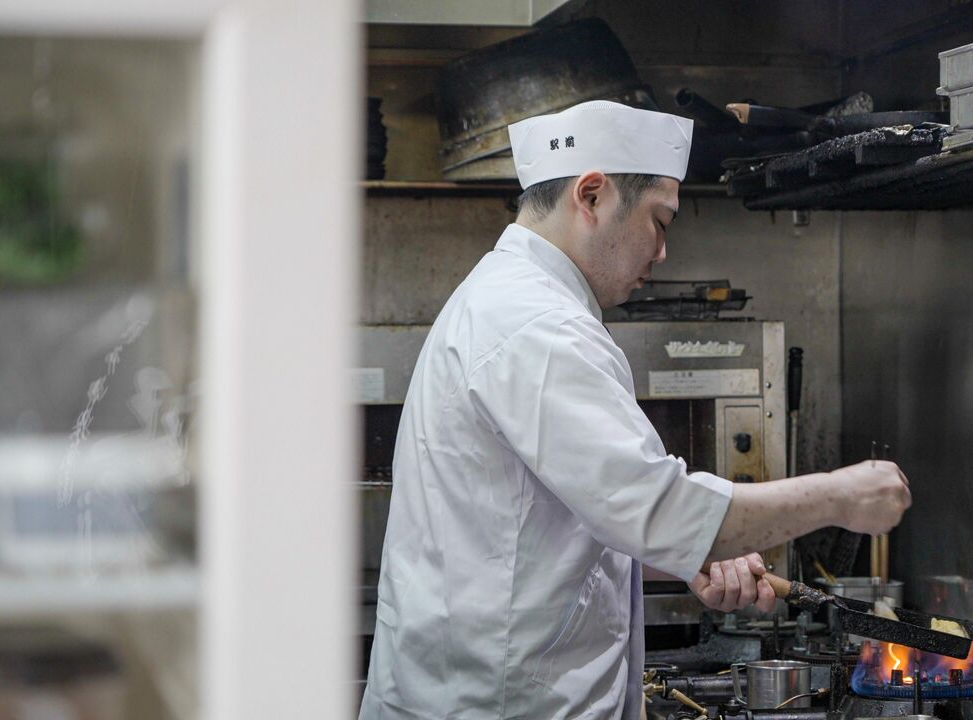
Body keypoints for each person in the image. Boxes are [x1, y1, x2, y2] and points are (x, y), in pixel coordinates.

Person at [358, 100, 911, 719]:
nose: (663, 251)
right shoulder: (537, 326)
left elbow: (581, 515)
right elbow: (658, 508)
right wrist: (840, 497)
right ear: (591, 195)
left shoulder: (513, 303)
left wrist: (691, 552)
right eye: (660, 220)